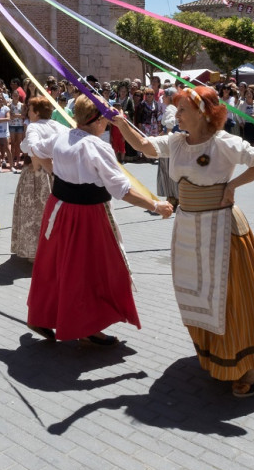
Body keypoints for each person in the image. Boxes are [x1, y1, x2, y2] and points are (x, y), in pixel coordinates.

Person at [115, 86, 254, 397]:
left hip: (222, 228)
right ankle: (213, 353)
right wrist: (121, 122)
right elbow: (145, 146)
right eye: (175, 109)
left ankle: (249, 366)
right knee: (198, 292)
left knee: (232, 297)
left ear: (203, 113)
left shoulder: (223, 142)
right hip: (189, 226)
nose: (175, 115)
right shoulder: (177, 142)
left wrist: (233, 184)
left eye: (181, 110)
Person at [25, 95, 173, 347]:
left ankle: (42, 315)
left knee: (53, 265)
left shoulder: (63, 136)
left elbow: (34, 148)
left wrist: (53, 168)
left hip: (58, 208)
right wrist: (155, 205)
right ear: (99, 119)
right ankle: (88, 327)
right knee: (92, 270)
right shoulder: (96, 146)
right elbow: (122, 189)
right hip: (86, 215)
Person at [10, 98, 67, 260]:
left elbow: (33, 149)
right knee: (52, 211)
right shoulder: (59, 126)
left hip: (35, 172)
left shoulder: (33, 127)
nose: (28, 113)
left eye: (30, 110)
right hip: (56, 173)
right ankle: (54, 249)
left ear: (36, 112)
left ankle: (35, 252)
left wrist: (36, 167)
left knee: (34, 211)